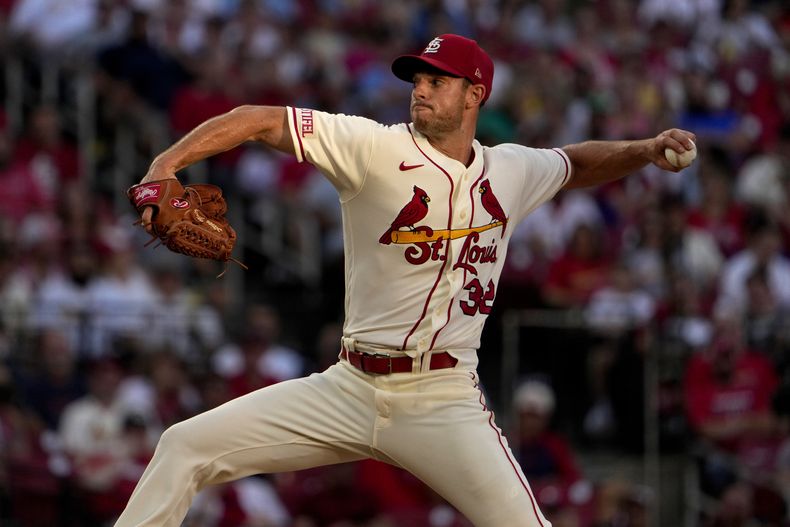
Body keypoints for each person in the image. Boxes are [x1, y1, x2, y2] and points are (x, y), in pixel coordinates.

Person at [115, 34, 696, 527]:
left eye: (437, 81)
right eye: (418, 79)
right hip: (348, 387)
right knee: (184, 446)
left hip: (442, 399)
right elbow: (258, 120)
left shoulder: (512, 169)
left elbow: (576, 163)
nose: (420, 89)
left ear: (475, 94)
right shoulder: (373, 148)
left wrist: (643, 149)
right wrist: (165, 166)